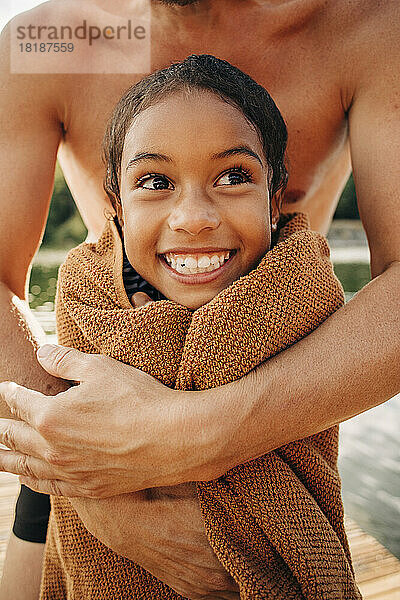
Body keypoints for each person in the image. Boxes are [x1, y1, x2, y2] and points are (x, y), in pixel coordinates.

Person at [0, 1, 399, 599]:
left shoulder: (366, 26)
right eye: (154, 182)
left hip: (274, 423)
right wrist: (93, 480)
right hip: (84, 397)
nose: (191, 215)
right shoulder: (45, 40)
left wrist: (192, 437)